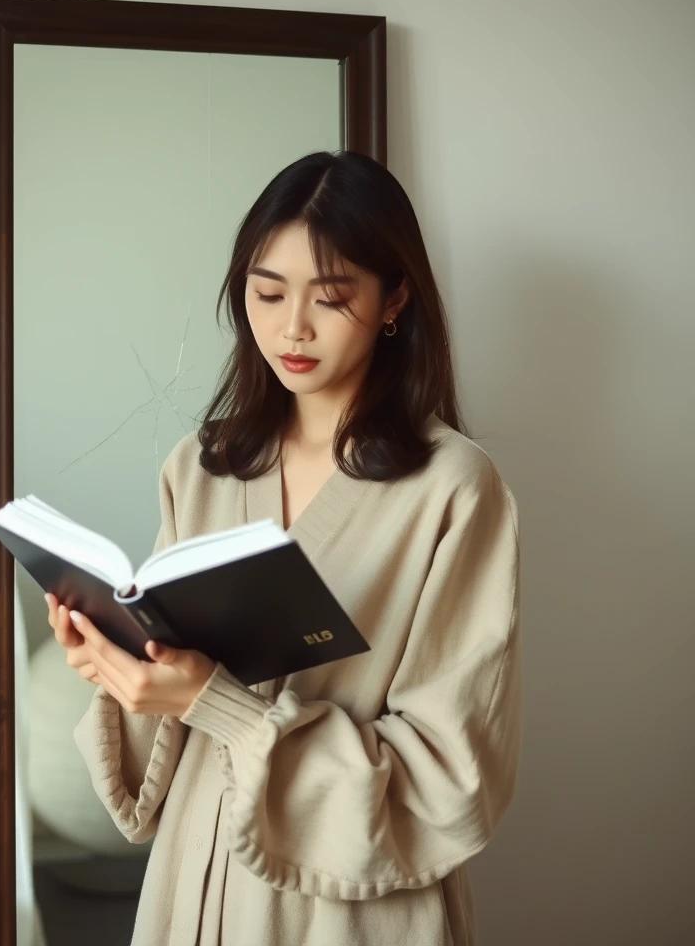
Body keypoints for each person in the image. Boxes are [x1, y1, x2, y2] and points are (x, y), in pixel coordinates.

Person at [46, 150, 521, 945]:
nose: (291, 327)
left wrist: (217, 704)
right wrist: (120, 663)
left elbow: (451, 780)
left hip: (348, 912)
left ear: (394, 298)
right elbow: (157, 756)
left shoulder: (454, 490)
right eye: (267, 293)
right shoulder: (199, 467)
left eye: (331, 299)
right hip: (191, 890)